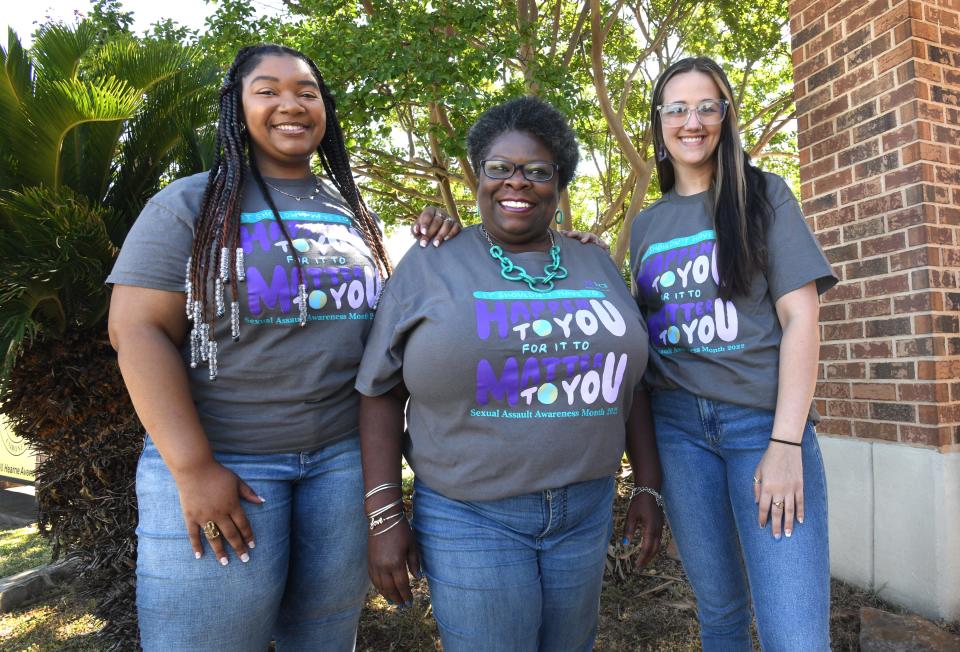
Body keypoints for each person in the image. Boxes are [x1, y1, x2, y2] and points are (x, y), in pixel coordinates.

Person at [106, 44, 463, 651]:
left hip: (341, 466)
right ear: (237, 108)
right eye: (267, 91)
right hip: (227, 465)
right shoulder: (191, 203)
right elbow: (135, 331)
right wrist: (194, 469)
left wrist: (445, 240)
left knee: (323, 638)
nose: (290, 104)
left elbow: (379, 322)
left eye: (306, 91)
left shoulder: (348, 207)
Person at [355, 96, 664, 652]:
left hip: (586, 510)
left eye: (537, 171)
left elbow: (632, 382)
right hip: (470, 516)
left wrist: (647, 485)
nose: (516, 183)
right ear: (478, 174)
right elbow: (379, 392)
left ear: (559, 182)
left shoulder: (594, 261)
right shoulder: (431, 262)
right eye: (499, 168)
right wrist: (383, 514)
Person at [630, 56, 837, 650]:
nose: (691, 120)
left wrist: (786, 443)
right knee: (719, 616)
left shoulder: (765, 195)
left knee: (794, 636)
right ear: (659, 123)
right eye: (676, 108)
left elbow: (802, 318)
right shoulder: (645, 227)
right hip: (678, 434)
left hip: (760, 429)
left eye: (705, 106)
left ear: (725, 116)